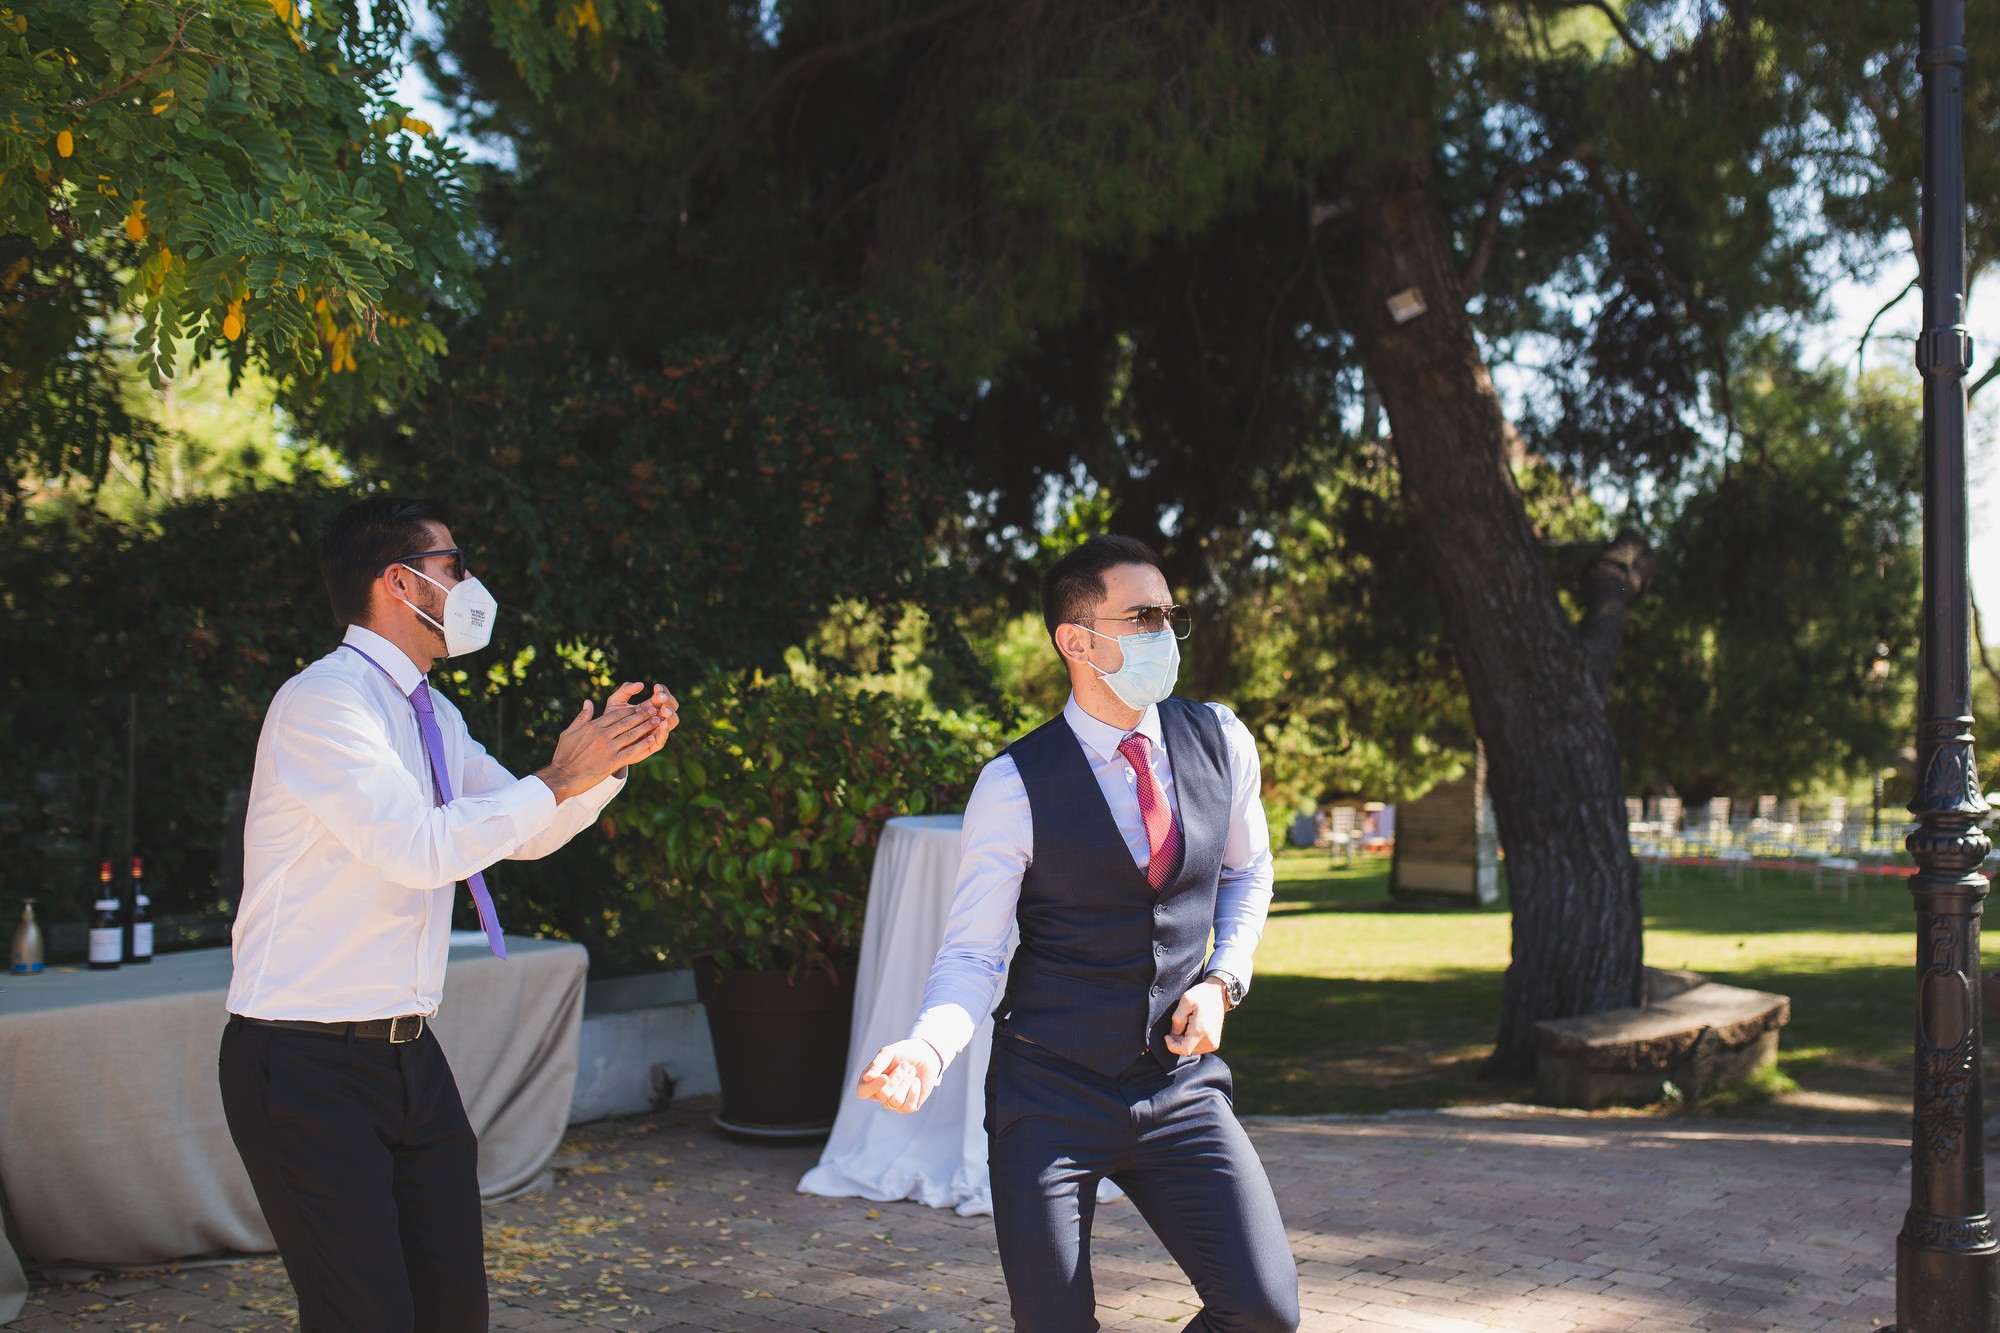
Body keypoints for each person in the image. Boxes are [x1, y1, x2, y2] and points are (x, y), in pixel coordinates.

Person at [218, 496, 678, 1332]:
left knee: (454, 1310)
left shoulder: (434, 712)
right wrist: (556, 777)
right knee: (367, 1315)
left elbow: (519, 828)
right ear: (400, 582)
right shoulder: (325, 703)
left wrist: (605, 765)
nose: (470, 585)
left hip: (409, 1057)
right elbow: (420, 848)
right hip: (303, 1059)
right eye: (454, 566)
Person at [855, 534, 1300, 1333]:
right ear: (1077, 640)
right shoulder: (1013, 784)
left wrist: (1222, 977)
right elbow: (974, 952)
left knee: (1263, 1311)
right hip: (1050, 1092)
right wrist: (926, 1047)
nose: (1164, 633)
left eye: (1169, 615)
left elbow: (1246, 873)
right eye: (1142, 616)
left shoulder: (1222, 740)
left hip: (1177, 1088)